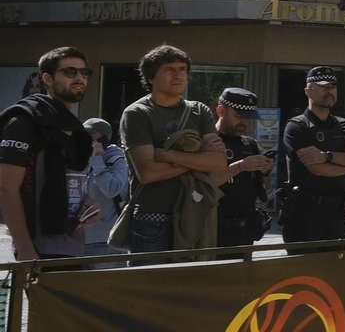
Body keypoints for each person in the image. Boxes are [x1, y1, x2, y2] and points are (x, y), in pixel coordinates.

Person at [120, 45, 227, 255]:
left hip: (196, 212)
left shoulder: (199, 111)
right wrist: (197, 160)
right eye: (169, 69)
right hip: (152, 217)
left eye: (182, 69)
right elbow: (148, 173)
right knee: (151, 286)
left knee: (191, 285)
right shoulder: (137, 114)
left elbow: (218, 163)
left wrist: (169, 156)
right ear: (151, 78)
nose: (178, 75)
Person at [0, 47, 96, 261]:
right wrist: (25, 249)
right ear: (48, 79)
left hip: (74, 243)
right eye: (70, 72)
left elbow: (73, 181)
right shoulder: (25, 121)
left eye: (84, 72)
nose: (79, 78)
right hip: (38, 246)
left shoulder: (73, 127)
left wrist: (89, 203)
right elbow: (6, 188)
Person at [279, 66, 345, 244]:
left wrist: (326, 156)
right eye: (322, 86)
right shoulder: (297, 126)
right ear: (308, 91)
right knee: (304, 270)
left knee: (333, 269)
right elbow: (317, 169)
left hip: (337, 214)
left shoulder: (343, 126)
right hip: (305, 214)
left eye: (332, 86)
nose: (329, 91)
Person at [214, 88, 274, 250]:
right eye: (239, 116)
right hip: (214, 225)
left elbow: (263, 188)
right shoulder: (209, 140)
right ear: (221, 110)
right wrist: (241, 166)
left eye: (248, 117)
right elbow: (207, 182)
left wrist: (265, 170)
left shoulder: (249, 144)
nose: (244, 122)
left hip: (245, 226)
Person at [79, 117, 127, 255]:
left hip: (105, 240)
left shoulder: (116, 160)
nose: (86, 139)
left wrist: (98, 160)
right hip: (79, 238)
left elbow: (112, 189)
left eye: (91, 135)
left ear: (103, 138)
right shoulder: (81, 158)